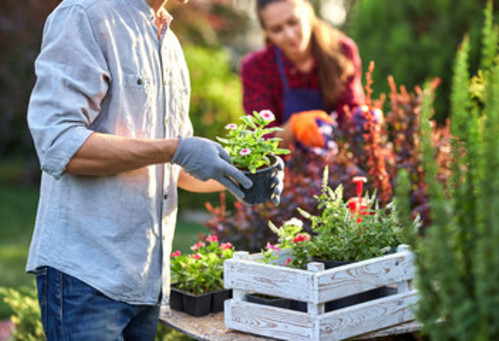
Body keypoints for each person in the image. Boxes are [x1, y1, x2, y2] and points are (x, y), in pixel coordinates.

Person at [26, 0, 282, 339]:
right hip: (86, 278)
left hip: (145, 284)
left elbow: (175, 170)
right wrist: (175, 149)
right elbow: (59, 144)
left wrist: (240, 178)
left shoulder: (169, 43)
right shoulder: (84, 16)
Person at [241, 0, 366, 150]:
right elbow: (261, 140)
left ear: (308, 13)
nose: (289, 34)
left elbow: (349, 113)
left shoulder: (342, 51)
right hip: (287, 166)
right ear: (267, 32)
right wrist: (293, 127)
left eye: (293, 22)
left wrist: (364, 119)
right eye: (277, 29)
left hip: (336, 157)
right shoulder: (256, 68)